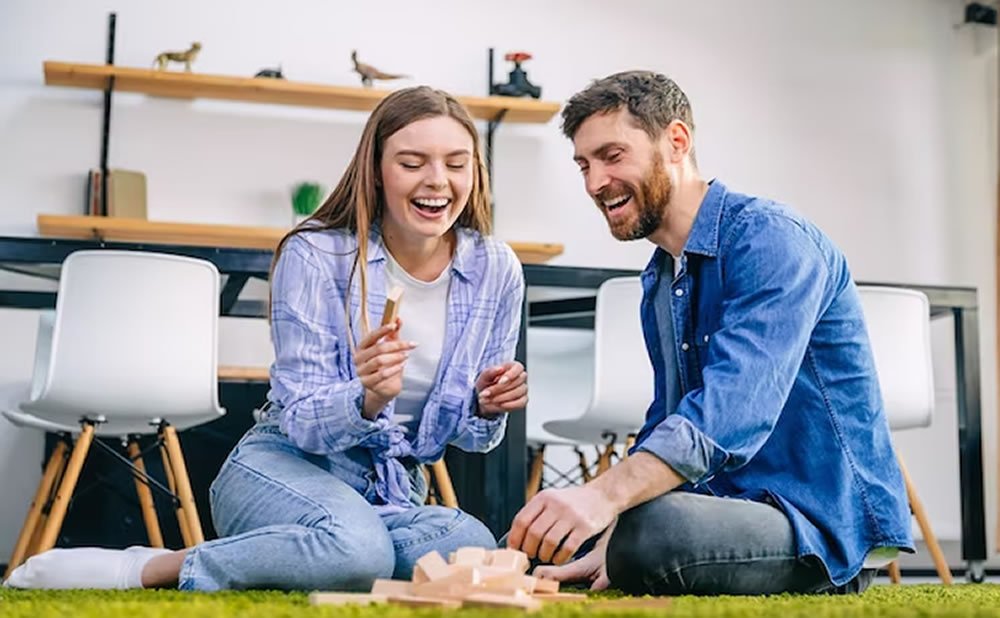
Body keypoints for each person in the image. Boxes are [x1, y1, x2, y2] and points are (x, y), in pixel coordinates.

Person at [5, 86, 528, 591]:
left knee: (470, 544)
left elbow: (473, 439)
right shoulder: (317, 254)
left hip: (390, 488)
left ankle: (327, 553)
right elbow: (301, 422)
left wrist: (488, 406)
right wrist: (365, 398)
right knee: (358, 551)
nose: (437, 181)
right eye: (412, 163)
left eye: (457, 164)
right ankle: (157, 567)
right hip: (283, 466)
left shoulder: (495, 269)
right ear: (375, 171)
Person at [508, 71, 913, 596]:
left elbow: (730, 412)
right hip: (734, 506)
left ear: (676, 142)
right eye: (584, 165)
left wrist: (606, 496)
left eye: (612, 156)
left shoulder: (771, 240)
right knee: (609, 534)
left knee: (651, 529)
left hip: (816, 518)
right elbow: (671, 416)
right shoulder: (659, 277)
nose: (594, 183)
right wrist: (608, 539)